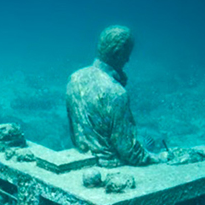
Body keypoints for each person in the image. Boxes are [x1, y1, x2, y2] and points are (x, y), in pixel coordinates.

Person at [66, 25, 165, 167]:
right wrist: (160, 158)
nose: (128, 60)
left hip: (82, 160)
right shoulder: (116, 93)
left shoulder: (74, 78)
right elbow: (129, 151)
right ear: (118, 54)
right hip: (110, 166)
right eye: (127, 54)